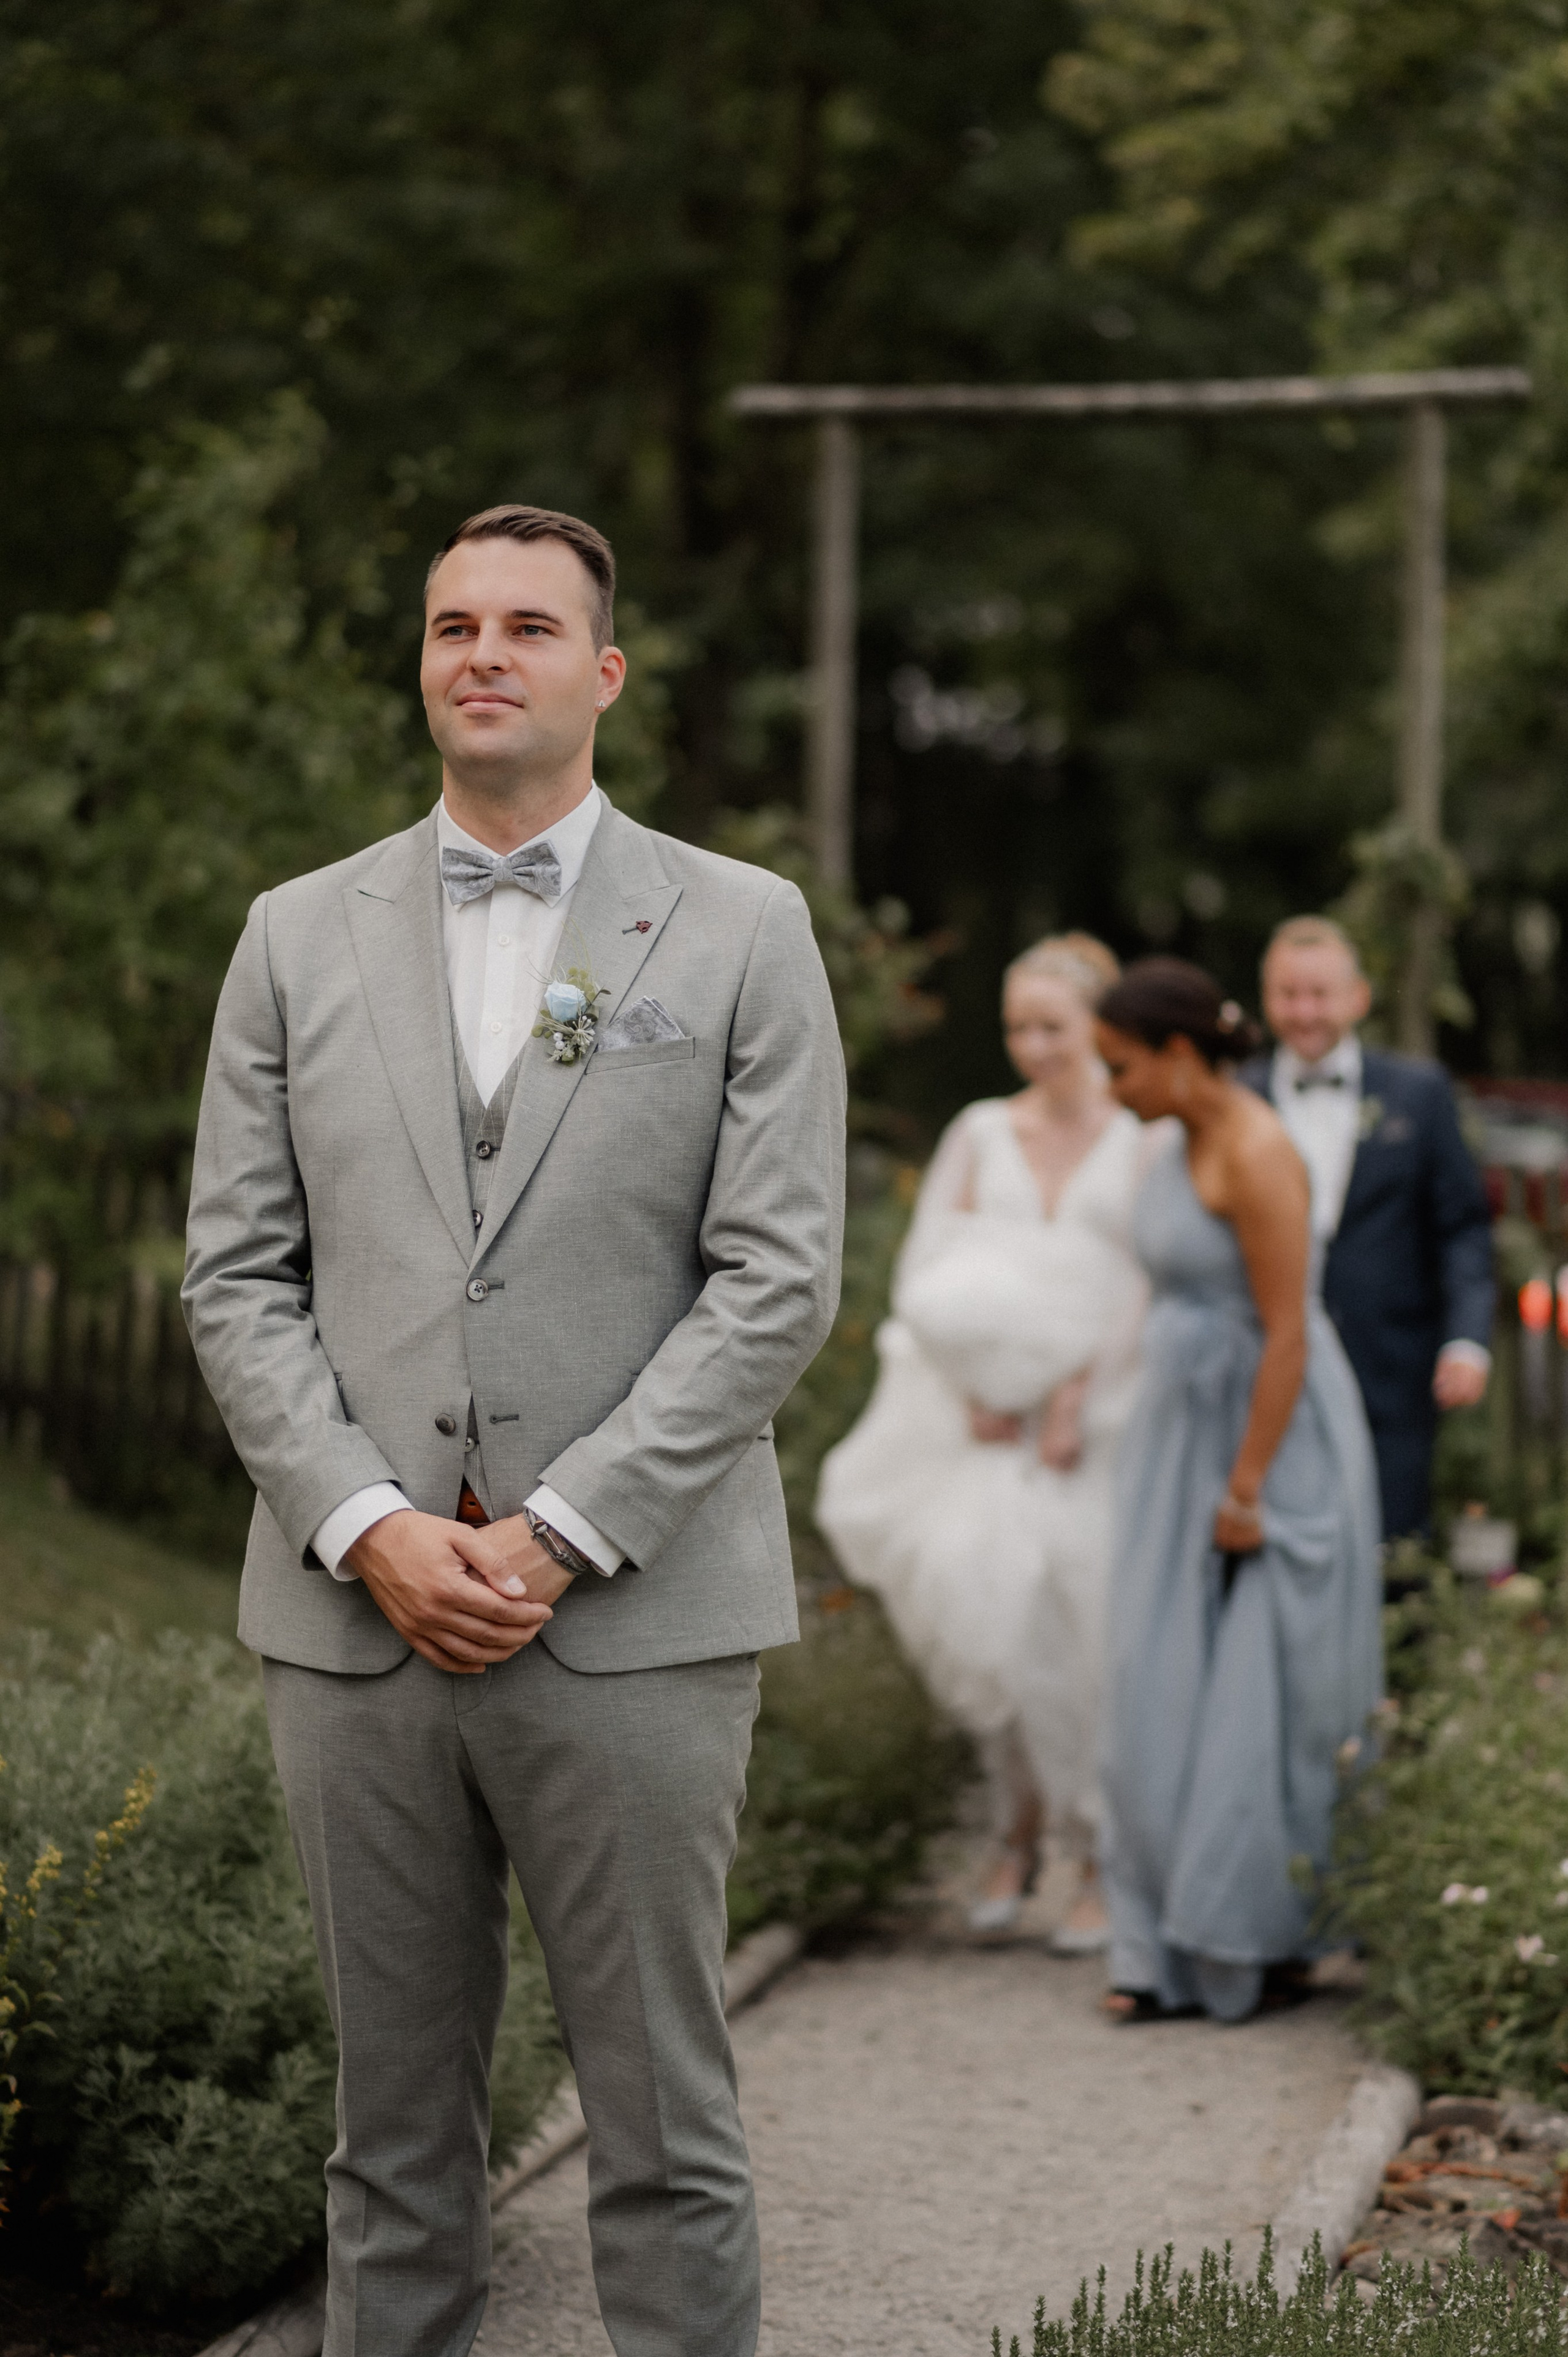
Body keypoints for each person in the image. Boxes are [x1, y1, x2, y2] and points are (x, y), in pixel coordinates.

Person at [182, 503, 846, 2357]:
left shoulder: (738, 927)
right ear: (423, 661)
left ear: (602, 673)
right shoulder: (292, 934)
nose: (485, 650)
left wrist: (558, 1525)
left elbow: (776, 1277)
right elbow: (234, 1273)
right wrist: (370, 1521)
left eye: (529, 626)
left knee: (663, 2129)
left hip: (633, 1614)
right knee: (387, 2148)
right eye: (453, 622)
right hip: (351, 1616)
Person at [816, 934, 1155, 1952]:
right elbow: (928, 1274)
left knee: (1086, 1622)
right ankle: (1016, 1827)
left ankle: (1097, 1850)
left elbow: (1147, 1277)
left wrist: (1078, 1392)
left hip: (1098, 1418)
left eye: (1052, 1024)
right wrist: (967, 1386)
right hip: (982, 1419)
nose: (1033, 1044)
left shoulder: (1140, 1135)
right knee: (987, 1610)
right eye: (1018, 1025)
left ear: (1097, 1024)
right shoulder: (979, 1131)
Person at [1094, 957, 1381, 2025]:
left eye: (1120, 1065)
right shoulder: (1173, 1139)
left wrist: (1248, 1485)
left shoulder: (1261, 1150)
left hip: (1267, 1443)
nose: (1111, 1086)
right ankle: (1163, 1938)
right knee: (1157, 1673)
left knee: (1262, 1697)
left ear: (1177, 1053)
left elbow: (1290, 1330)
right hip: (1179, 1437)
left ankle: (1255, 1937)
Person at [1240, 915, 1494, 1541]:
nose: (1303, 1011)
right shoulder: (1237, 1100)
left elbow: (1461, 1225)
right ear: (1265, 997)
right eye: (1287, 994)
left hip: (1392, 1371)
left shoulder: (1419, 1092)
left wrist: (1465, 1339)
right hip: (1259, 1371)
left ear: (1358, 997)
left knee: (1391, 1547)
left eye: (1318, 993)